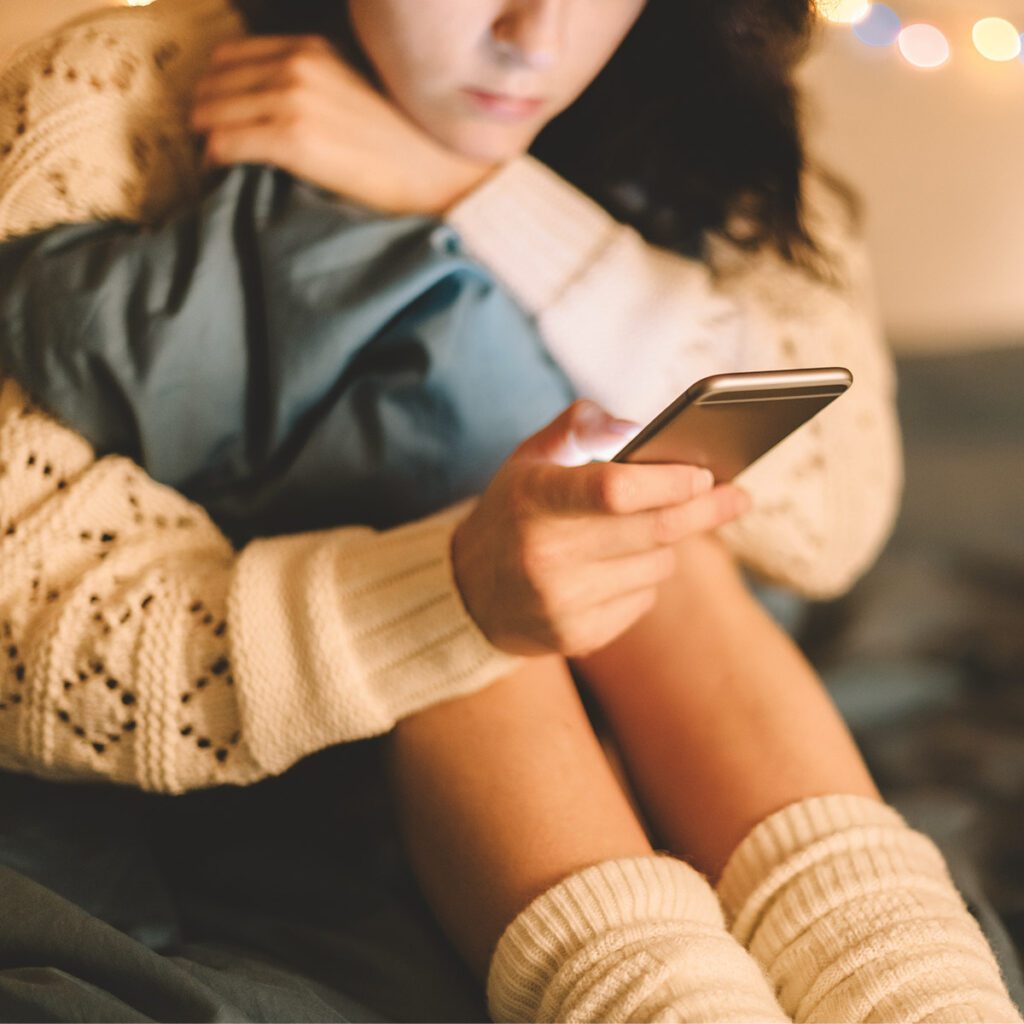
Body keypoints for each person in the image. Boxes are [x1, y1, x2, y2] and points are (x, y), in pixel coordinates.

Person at [0, 1, 1020, 1021]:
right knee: (492, 526)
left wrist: (473, 189)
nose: (534, 37)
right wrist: (451, 590)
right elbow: (30, 620)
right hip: (306, 699)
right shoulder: (118, 94)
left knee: (652, 523)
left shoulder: (708, 76)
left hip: (672, 645)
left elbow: (832, 514)